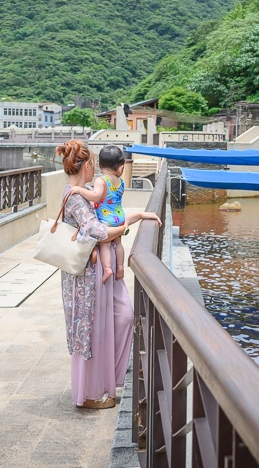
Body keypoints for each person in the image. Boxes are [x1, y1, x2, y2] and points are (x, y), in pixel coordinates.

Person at [54, 140, 162, 409]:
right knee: (90, 332)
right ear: (89, 164)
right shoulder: (76, 196)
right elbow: (98, 230)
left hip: (99, 272)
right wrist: (125, 226)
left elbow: (108, 216)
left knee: (122, 318)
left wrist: (140, 214)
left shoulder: (87, 191)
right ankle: (90, 394)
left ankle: (105, 383)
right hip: (86, 278)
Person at [67, 145, 128, 283]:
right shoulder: (121, 182)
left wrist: (79, 190)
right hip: (119, 216)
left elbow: (95, 196)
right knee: (118, 243)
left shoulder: (101, 180)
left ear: (100, 165)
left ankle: (107, 269)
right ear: (120, 167)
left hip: (107, 219)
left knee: (104, 244)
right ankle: (120, 266)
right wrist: (124, 226)